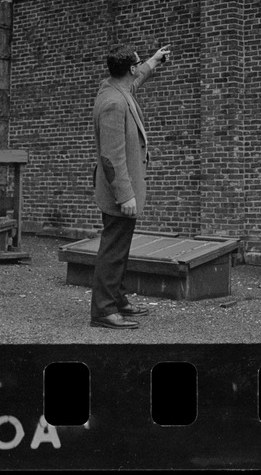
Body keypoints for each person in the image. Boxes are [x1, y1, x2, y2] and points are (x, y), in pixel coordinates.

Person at [90, 44, 171, 329]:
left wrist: (154, 61)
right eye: (139, 63)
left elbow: (135, 80)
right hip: (118, 191)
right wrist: (126, 195)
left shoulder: (114, 87)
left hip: (118, 188)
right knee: (113, 251)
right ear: (130, 68)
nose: (140, 68)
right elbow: (111, 157)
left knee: (119, 248)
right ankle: (103, 311)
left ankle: (118, 299)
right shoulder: (114, 103)